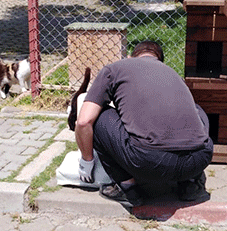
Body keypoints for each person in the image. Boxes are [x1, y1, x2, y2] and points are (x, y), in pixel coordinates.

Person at [75, 40, 214, 207]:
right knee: (196, 109)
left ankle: (127, 187)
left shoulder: (116, 68)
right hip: (198, 159)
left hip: (149, 163)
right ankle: (190, 183)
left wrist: (87, 161)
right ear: (160, 61)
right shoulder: (172, 73)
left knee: (98, 117)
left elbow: (84, 122)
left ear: (130, 57)